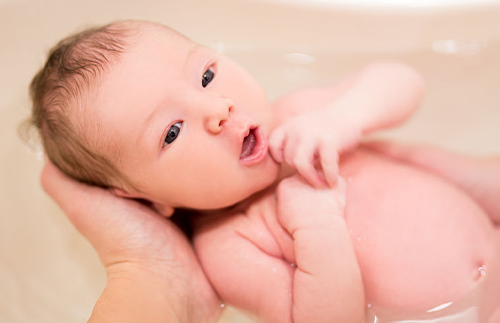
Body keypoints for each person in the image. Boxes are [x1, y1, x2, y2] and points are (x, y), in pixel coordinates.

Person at [30, 20, 500, 323]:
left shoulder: (301, 114)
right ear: (146, 198)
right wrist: (318, 227)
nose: (216, 108)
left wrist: (347, 117)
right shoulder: (227, 245)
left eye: (207, 76)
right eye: (172, 132)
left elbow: (402, 81)